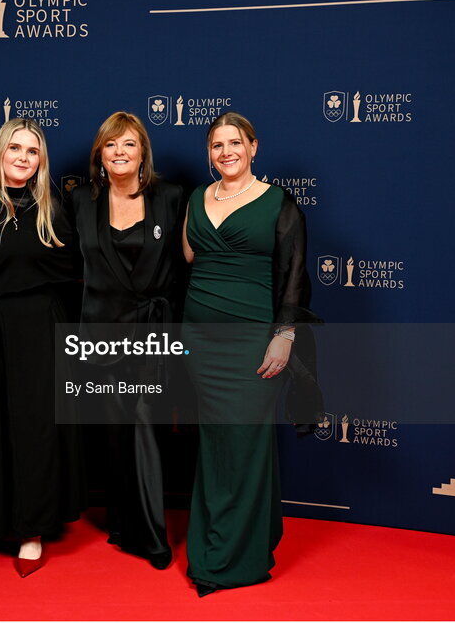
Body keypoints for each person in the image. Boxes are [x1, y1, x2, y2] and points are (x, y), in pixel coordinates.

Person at [181, 112, 319, 596]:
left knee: (245, 444)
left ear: (254, 147)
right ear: (209, 153)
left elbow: (295, 273)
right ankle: (213, 543)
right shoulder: (198, 198)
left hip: (250, 343)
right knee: (216, 445)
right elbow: (192, 259)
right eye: (216, 145)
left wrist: (284, 335)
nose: (226, 152)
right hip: (200, 339)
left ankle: (237, 555)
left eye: (234, 143)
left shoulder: (280, 203)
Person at [0, 118, 84, 578]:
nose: (23, 157)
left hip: (43, 332)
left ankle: (32, 529)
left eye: (33, 151)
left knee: (36, 429)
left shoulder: (52, 207)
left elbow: (70, 272)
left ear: (41, 160)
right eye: (15, 148)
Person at [68, 112, 185, 569]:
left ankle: (151, 535)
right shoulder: (80, 200)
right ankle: (121, 522)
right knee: (117, 432)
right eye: (111, 145)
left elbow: (190, 264)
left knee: (143, 422)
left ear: (143, 153)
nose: (119, 152)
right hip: (98, 336)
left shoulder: (171, 197)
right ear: (100, 152)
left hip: (153, 333)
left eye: (129, 144)